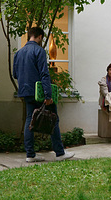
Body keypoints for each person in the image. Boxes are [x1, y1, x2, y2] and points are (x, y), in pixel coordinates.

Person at [13, 26, 74, 163]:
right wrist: (48, 95)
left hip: (25, 91)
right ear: (40, 37)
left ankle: (30, 154)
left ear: (30, 36)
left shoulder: (19, 53)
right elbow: (44, 74)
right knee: (54, 118)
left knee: (29, 120)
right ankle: (59, 153)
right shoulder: (39, 51)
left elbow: (15, 74)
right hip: (38, 91)